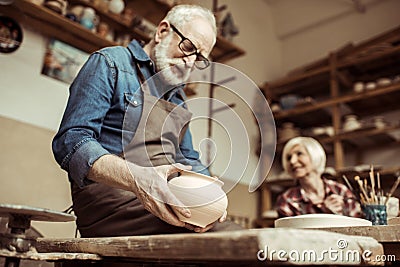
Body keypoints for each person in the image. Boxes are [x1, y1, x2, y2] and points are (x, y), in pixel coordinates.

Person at [52, 5, 237, 237]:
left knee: (229, 230)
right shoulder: (110, 63)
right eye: (188, 47)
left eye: (199, 58)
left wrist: (212, 191)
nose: (190, 62)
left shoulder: (178, 99)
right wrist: (136, 179)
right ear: (162, 32)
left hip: (160, 198)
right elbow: (71, 141)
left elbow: (188, 159)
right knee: (230, 238)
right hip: (109, 206)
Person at [275, 137, 361, 218]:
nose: (292, 161)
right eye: (289, 158)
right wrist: (325, 212)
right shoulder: (287, 200)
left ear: (314, 156)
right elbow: (288, 233)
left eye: (299, 154)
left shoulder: (340, 190)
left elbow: (358, 226)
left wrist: (342, 213)